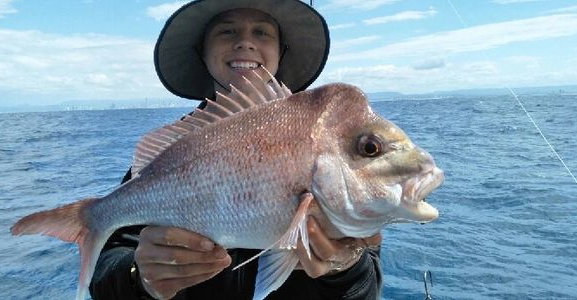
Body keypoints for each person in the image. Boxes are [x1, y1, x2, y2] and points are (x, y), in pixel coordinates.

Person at [89, 1, 382, 299]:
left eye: (262, 32)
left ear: (281, 51)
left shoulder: (328, 146)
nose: (245, 42)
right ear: (201, 52)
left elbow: (366, 290)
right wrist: (141, 278)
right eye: (227, 31)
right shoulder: (174, 155)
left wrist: (344, 268)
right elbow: (104, 277)